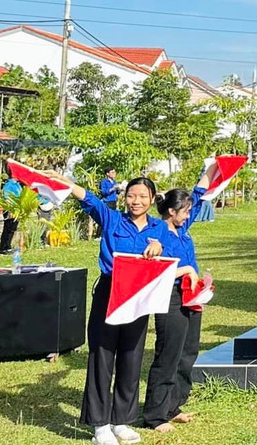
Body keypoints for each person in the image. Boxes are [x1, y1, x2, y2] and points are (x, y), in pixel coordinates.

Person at [66, 174, 167, 445]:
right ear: (125, 198)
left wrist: (158, 246)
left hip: (139, 296)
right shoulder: (112, 219)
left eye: (143, 196)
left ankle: (122, 420)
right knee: (102, 356)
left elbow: (164, 249)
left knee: (131, 357)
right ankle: (100, 425)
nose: (136, 201)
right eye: (132, 195)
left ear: (152, 199)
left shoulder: (158, 227)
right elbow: (88, 199)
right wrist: (62, 182)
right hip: (109, 293)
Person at [142, 181, 209, 432]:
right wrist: (187, 270)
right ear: (172, 211)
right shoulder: (157, 231)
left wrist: (214, 166)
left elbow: (200, 195)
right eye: (185, 211)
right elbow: (154, 269)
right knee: (168, 354)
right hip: (170, 295)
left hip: (191, 295)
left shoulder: (183, 228)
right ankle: (155, 416)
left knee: (187, 352)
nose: (189, 215)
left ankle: (173, 406)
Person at [0, 173, 23, 253]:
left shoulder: (18, 184)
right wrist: (10, 210)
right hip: (10, 209)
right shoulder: (9, 185)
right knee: (8, 228)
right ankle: (3, 248)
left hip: (16, 209)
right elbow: (7, 198)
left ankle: (8, 246)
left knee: (13, 228)